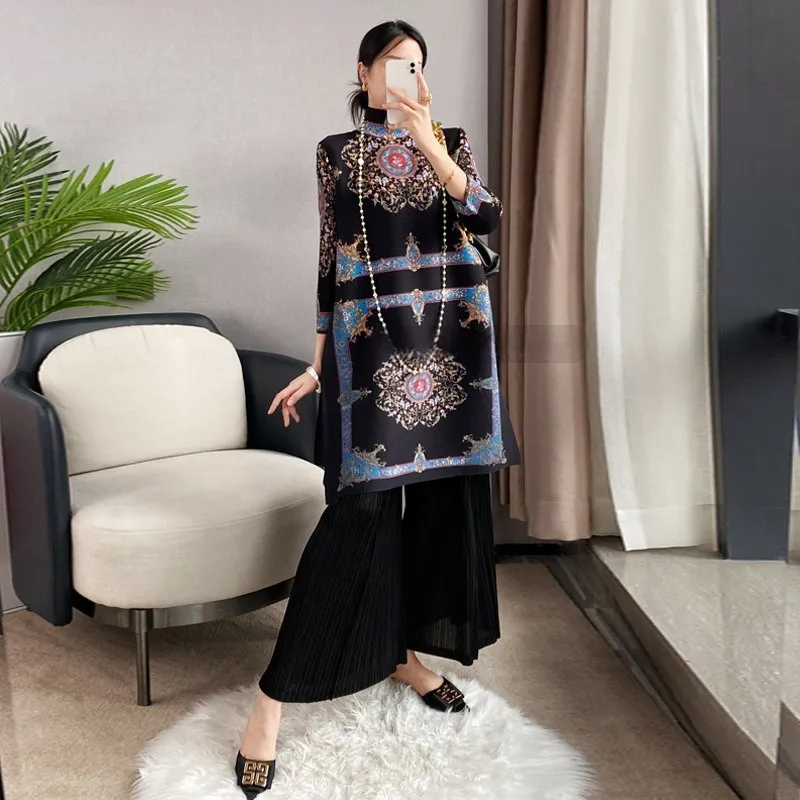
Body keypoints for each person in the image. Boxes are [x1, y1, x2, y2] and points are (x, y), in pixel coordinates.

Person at [234, 19, 520, 796]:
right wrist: (316, 362)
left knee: (434, 514)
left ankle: (401, 657)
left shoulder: (450, 141)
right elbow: (332, 262)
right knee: (357, 518)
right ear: (364, 72)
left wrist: (428, 142)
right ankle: (271, 700)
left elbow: (487, 218)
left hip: (451, 348)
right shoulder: (334, 153)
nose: (408, 78)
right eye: (394, 65)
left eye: (418, 66)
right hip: (369, 354)